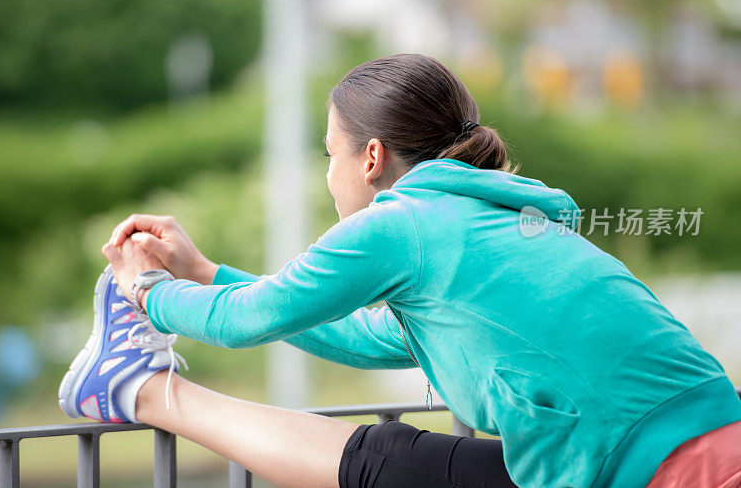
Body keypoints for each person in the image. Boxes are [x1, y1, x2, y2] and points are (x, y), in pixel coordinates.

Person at [59, 53, 741, 488]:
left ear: (371, 157)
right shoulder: (490, 219)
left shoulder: (401, 225)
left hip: (672, 472)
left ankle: (129, 383)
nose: (328, 175)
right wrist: (207, 274)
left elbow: (255, 319)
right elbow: (361, 334)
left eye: (330, 153)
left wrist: (148, 292)